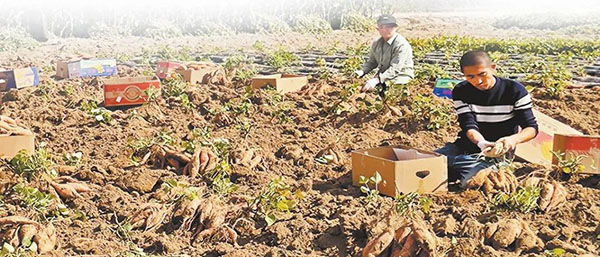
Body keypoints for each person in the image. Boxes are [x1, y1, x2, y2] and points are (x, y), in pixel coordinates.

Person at [435, 50, 538, 188]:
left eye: (482, 74)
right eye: (470, 76)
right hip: (465, 147)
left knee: (471, 181)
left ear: (493, 68)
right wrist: (481, 143)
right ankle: (459, 165)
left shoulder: (515, 90)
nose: (478, 81)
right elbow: (469, 125)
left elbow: (531, 128)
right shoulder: (461, 91)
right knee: (423, 162)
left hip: (498, 154)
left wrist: (512, 140)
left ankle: (466, 168)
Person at [354, 14, 414, 93]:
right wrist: (362, 71)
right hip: (384, 77)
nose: (384, 30)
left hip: (401, 78)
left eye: (388, 27)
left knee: (381, 93)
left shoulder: (401, 45)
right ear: (378, 29)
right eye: (381, 27)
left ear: (395, 28)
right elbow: (372, 62)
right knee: (364, 89)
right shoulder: (376, 43)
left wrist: (376, 80)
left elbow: (395, 69)